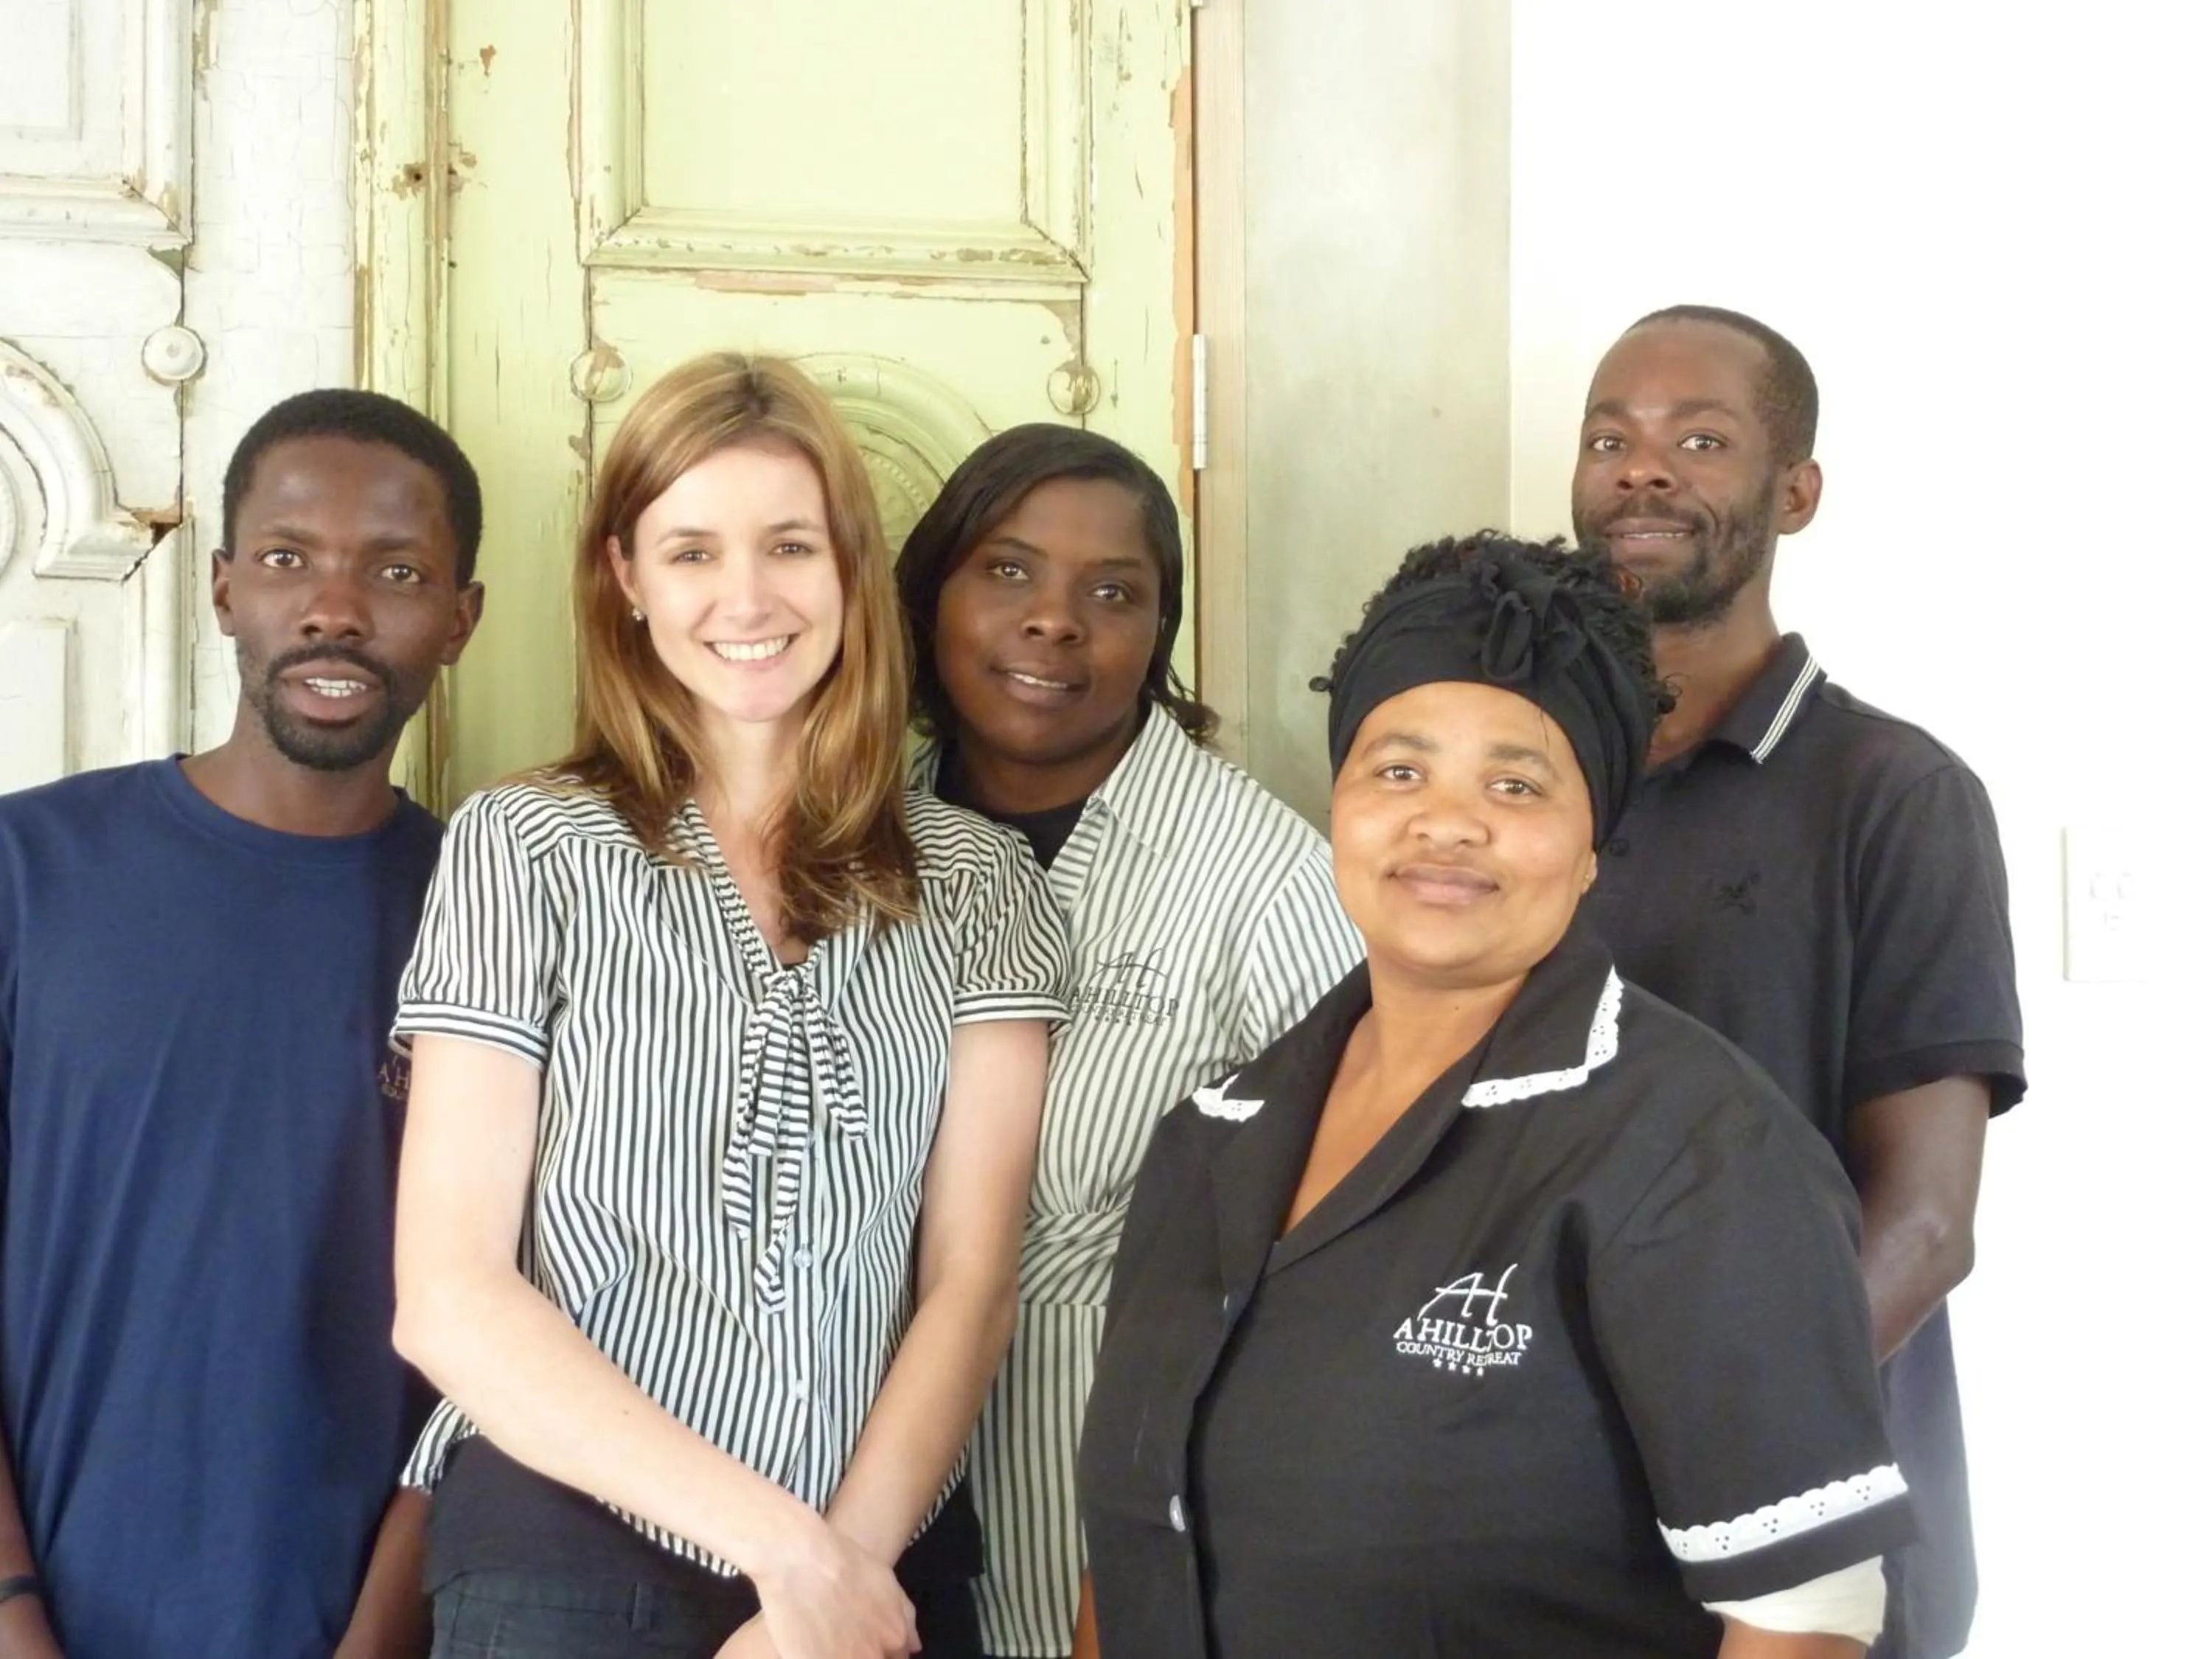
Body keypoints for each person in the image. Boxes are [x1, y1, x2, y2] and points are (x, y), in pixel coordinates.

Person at [1077, 535, 1914, 1659]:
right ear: (1341, 805)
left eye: (1515, 784)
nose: (1447, 822)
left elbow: (1806, 1613)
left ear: (1589, 848)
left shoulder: (1696, 1147)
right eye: (1399, 770)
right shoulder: (1212, 1135)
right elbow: (1134, 1546)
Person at [387, 353, 1065, 1659]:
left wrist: (842, 1577)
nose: (747, 597)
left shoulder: (978, 879)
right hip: (570, 1558)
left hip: (885, 1568)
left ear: (852, 571)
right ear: (627, 580)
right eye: (692, 550)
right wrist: (785, 1553)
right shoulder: (525, 847)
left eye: (790, 546)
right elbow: (449, 1292)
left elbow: (971, 1282)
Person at [0, 389, 487, 1658]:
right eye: (287, 559)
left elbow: (510, 1329)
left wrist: (383, 1630)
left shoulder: (496, 922)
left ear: (461, 618)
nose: (335, 607)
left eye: (396, 569)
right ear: (222, 588)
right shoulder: (28, 872)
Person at [1570, 305, 2024, 1659]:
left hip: (1806, 1549)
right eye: (1611, 437)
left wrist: (1712, 1452)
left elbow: (1928, 1225)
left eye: (1699, 439)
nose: (1642, 471)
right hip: (1562, 1535)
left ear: (1796, 491)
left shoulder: (1896, 794)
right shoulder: (1524, 791)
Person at [894, 425, 1361, 1658]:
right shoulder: (854, 834)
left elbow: (1366, 1232)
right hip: (845, 1495)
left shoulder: (1263, 878)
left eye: (1115, 593)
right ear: (928, 590)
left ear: (1159, 635)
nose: (1056, 620)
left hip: (1116, 1526)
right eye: (1007, 571)